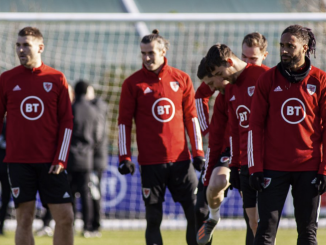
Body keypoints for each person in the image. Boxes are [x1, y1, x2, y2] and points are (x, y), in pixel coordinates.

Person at [118, 29, 205, 245]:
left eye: (151, 53)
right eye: (143, 53)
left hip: (181, 162)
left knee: (196, 213)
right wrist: (124, 157)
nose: (147, 58)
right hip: (150, 164)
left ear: (163, 51)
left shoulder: (181, 79)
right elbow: (123, 123)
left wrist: (199, 152)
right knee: (153, 218)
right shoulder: (132, 84)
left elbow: (191, 119)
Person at [249, 25, 326, 245]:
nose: (283, 50)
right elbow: (255, 126)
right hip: (273, 169)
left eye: (289, 46)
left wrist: (324, 169)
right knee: (264, 232)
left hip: (309, 168)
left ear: (304, 47)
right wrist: (255, 168)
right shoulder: (267, 80)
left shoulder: (320, 80)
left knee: (308, 233)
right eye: (281, 45)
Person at [0, 27, 74, 245]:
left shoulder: (57, 78)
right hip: (18, 163)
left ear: (40, 47)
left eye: (26, 45)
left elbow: (67, 122)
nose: (21, 50)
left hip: (52, 163)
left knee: (66, 218)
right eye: (18, 45)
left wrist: (60, 158)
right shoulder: (6, 79)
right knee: (24, 219)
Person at [195, 32, 269, 245]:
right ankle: (213, 217)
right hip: (238, 155)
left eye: (252, 58)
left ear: (264, 56)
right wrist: (205, 131)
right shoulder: (226, 91)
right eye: (245, 57)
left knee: (260, 221)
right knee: (215, 185)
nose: (248, 62)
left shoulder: (267, 77)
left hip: (265, 157)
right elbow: (201, 97)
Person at [67, 80, 98, 238]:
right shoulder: (93, 110)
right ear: (86, 92)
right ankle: (87, 227)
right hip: (87, 158)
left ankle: (69, 226)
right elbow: (97, 136)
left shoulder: (70, 109)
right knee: (86, 193)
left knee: (70, 194)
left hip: (71, 157)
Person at [86, 85, 109, 237]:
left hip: (95, 158)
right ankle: (95, 223)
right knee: (93, 189)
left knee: (94, 190)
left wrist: (88, 147)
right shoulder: (97, 107)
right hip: (96, 157)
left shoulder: (96, 108)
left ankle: (95, 224)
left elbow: (98, 134)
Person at [0, 119, 10, 235]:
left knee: (6, 198)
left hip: (7, 166)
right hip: (7, 166)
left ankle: (1, 226)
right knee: (5, 198)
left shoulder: (9, 124)